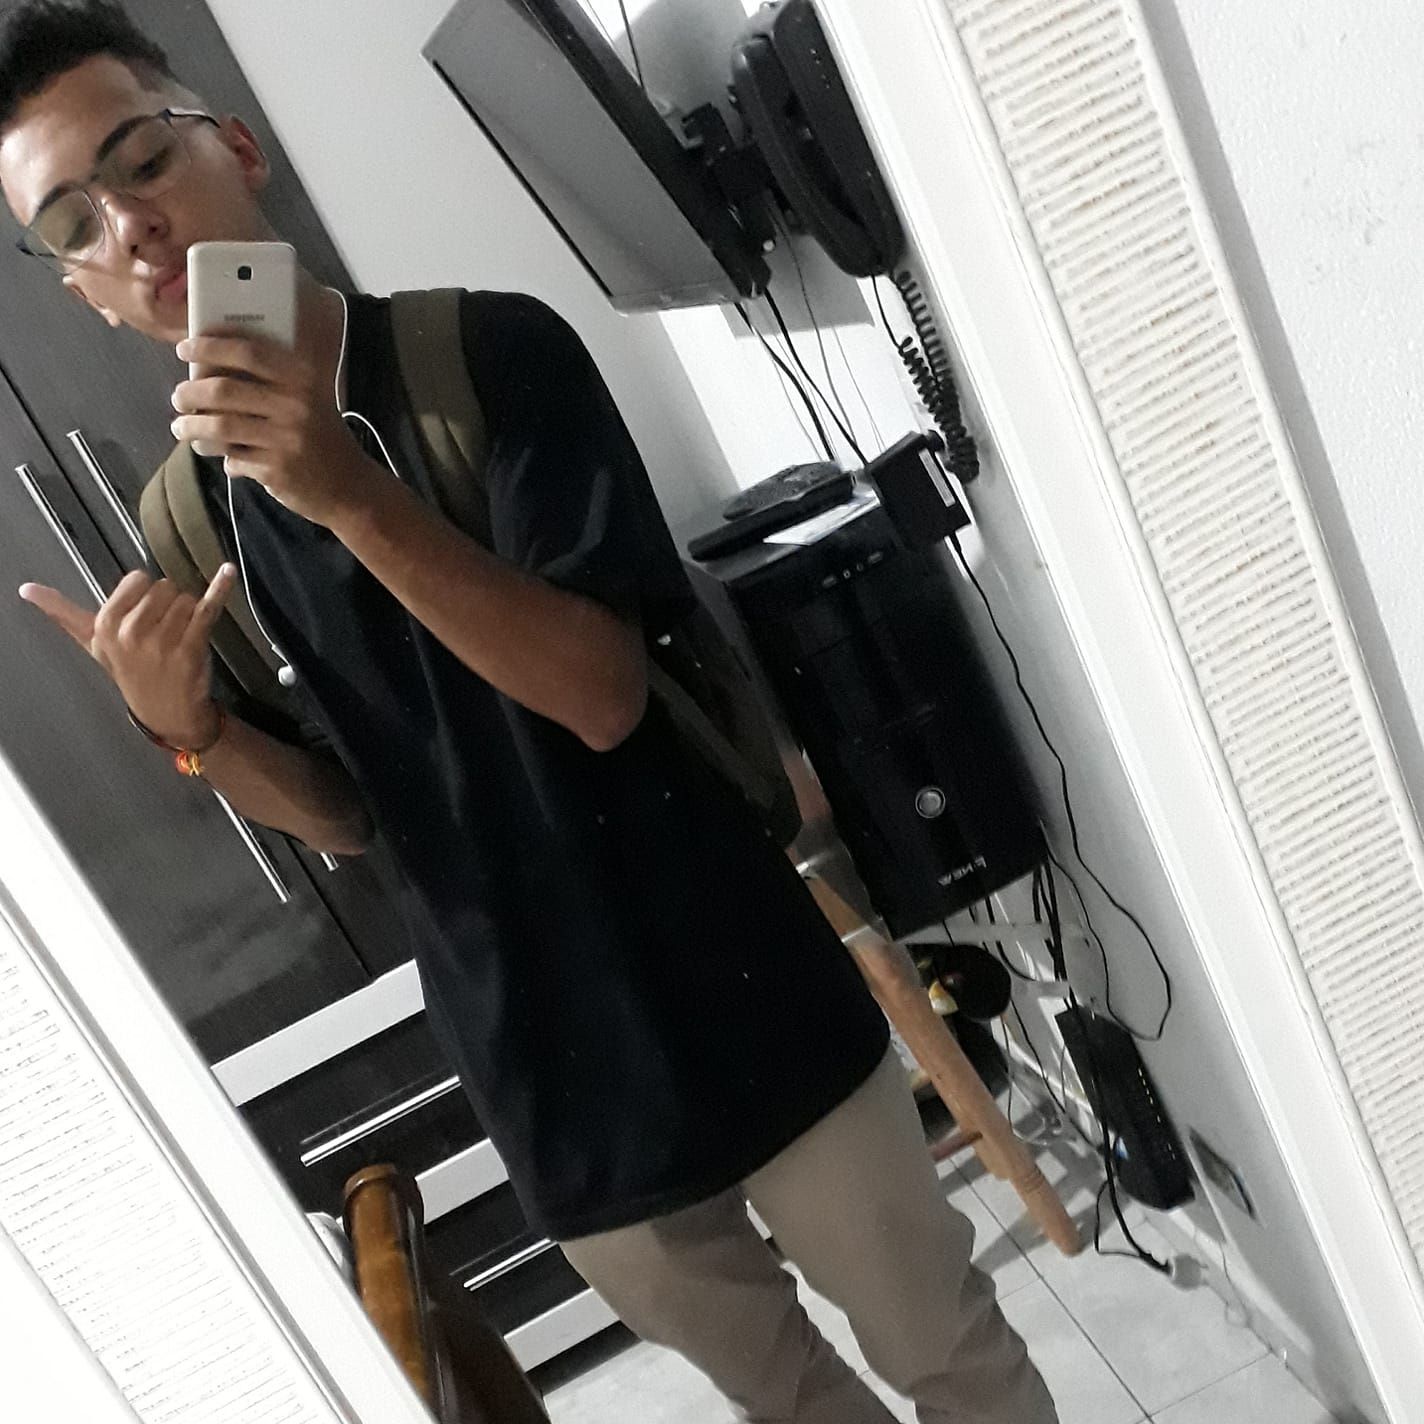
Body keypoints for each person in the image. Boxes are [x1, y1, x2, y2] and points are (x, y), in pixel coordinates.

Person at [0, 5, 1056, 1421]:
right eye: (74, 223)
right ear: (83, 292)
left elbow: (601, 697)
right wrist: (192, 736)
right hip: (547, 1076)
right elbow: (344, 816)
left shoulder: (487, 358)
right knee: (793, 1403)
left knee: (950, 1355)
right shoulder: (190, 523)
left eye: (143, 161)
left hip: (735, 971)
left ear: (236, 149)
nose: (129, 226)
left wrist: (344, 493)